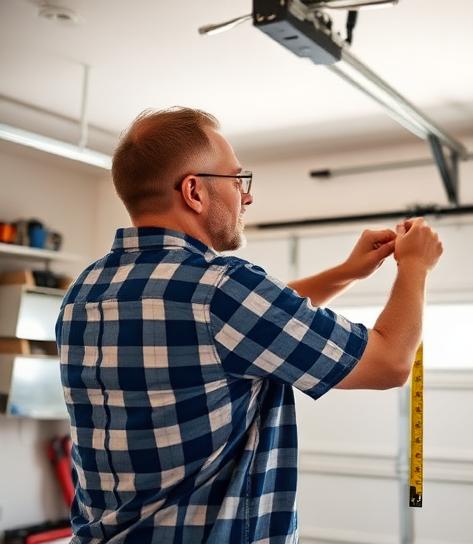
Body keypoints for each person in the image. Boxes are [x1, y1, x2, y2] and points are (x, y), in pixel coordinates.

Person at [56, 107, 443, 543]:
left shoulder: (85, 292)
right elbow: (390, 362)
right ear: (194, 191)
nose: (247, 196)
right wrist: (415, 267)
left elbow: (242, 329)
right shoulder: (223, 289)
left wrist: (347, 273)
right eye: (238, 180)